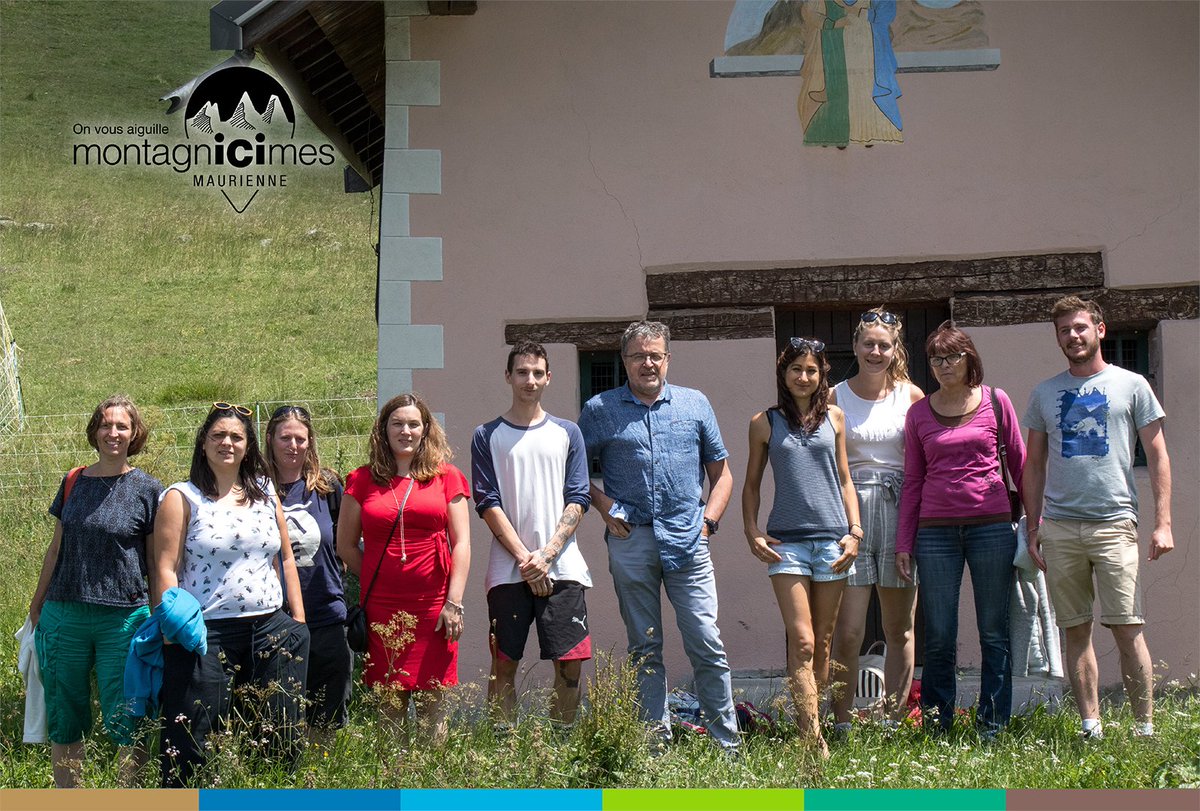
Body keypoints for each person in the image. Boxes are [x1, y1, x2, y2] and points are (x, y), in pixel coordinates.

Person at [577, 320, 739, 753]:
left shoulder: (695, 403)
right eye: (638, 356)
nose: (647, 363)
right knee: (645, 646)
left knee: (706, 639)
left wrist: (708, 524)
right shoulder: (600, 409)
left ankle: (726, 745)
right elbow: (571, 469)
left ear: (667, 358)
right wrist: (604, 506)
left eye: (655, 355)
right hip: (632, 541)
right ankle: (654, 746)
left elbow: (722, 475)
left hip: (689, 540)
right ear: (624, 360)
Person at [1022, 296, 1173, 740]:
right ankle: (1091, 728)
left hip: (1115, 523)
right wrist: (1034, 527)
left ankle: (1143, 728)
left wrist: (1163, 522)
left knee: (1127, 628)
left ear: (1100, 330)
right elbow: (1033, 465)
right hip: (1061, 528)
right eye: (1064, 330)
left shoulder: (1131, 384)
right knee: (1075, 630)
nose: (1073, 336)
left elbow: (1159, 455)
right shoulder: (1044, 393)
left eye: (1080, 327)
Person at [154, 402, 309, 787]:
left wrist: (299, 621)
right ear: (203, 443)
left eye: (236, 437)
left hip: (272, 628)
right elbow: (164, 567)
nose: (227, 443)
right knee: (192, 738)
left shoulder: (265, 490)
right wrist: (171, 632)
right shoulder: (181, 497)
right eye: (218, 435)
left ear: (248, 445)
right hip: (205, 633)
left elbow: (286, 558)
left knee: (279, 734)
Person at [895, 322, 1024, 736]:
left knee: (993, 632)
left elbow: (1020, 465)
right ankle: (937, 726)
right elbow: (912, 480)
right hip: (934, 533)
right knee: (939, 636)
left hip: (991, 528)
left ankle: (993, 726)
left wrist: (1036, 524)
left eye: (952, 356)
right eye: (936, 358)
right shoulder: (918, 413)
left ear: (970, 358)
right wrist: (904, 542)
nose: (944, 365)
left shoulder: (996, 402)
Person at [29, 395, 163, 787]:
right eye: (106, 425)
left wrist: (158, 617)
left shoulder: (148, 489)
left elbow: (155, 564)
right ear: (94, 431)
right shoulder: (72, 482)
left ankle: (126, 796)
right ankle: (69, 796)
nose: (113, 433)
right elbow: (56, 549)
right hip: (64, 614)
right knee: (65, 715)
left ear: (134, 433)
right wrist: (37, 606)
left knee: (128, 715)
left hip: (123, 620)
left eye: (122, 426)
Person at [742, 337, 861, 757]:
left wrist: (855, 531)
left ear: (821, 374)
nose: (803, 377)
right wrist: (752, 532)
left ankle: (811, 719)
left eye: (811, 370)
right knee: (804, 640)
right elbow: (752, 484)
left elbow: (845, 479)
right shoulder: (765, 422)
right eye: (796, 369)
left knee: (824, 643)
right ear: (783, 373)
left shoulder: (837, 419)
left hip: (833, 541)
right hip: (787, 545)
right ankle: (813, 739)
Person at [471, 341, 592, 731]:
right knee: (503, 664)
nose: (530, 380)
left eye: (538, 372)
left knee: (570, 665)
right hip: (508, 572)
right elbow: (487, 502)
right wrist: (528, 559)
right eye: (522, 372)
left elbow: (578, 498)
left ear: (549, 377)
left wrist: (548, 556)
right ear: (508, 377)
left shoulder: (568, 433)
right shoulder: (486, 434)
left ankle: (559, 749)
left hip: (564, 569)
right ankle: (506, 756)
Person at [337, 393, 470, 744]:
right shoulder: (361, 480)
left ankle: (428, 789)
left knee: (433, 703)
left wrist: (454, 603)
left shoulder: (447, 477)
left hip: (436, 608)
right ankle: (393, 789)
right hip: (382, 608)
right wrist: (379, 579)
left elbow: (462, 544)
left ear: (426, 430)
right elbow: (345, 546)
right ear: (383, 430)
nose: (405, 431)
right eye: (397, 423)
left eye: (413, 424)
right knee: (389, 707)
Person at [828, 309, 924, 732]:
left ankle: (894, 719)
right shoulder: (834, 396)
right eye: (869, 343)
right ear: (855, 346)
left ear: (894, 348)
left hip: (900, 509)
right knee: (847, 631)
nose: (876, 351)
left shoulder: (911, 395)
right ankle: (843, 722)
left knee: (899, 627)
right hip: (849, 513)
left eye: (884, 344)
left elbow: (922, 461)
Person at [264, 405, 352, 738]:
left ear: (310, 441)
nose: (293, 446)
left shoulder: (327, 487)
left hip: (327, 614)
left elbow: (345, 541)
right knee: (277, 717)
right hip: (274, 619)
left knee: (326, 716)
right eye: (285, 437)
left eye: (301, 438)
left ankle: (320, 781)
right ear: (270, 439)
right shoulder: (255, 489)